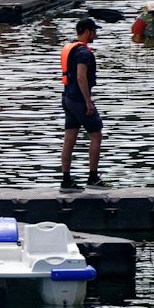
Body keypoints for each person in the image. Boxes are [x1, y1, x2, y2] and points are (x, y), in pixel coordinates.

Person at [59, 17, 104, 190]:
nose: (95, 34)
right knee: (96, 135)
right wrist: (88, 101)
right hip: (79, 99)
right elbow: (80, 76)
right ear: (87, 31)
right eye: (94, 31)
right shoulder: (84, 53)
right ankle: (93, 178)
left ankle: (66, 180)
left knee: (70, 137)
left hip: (67, 98)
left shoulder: (70, 47)